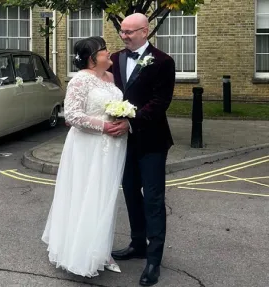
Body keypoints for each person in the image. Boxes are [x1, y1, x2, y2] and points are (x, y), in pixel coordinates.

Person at [41, 36, 128, 277]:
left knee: (105, 197)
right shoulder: (80, 80)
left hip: (113, 147)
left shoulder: (111, 78)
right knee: (85, 195)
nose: (109, 52)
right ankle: (80, 251)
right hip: (87, 147)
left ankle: (100, 248)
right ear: (92, 59)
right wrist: (105, 126)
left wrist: (125, 122)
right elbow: (72, 116)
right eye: (103, 50)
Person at [107, 13, 176, 286]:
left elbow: (160, 102)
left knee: (153, 199)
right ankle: (138, 244)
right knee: (131, 194)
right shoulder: (114, 58)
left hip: (153, 141)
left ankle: (154, 260)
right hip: (123, 143)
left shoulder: (163, 62)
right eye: (122, 31)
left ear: (145, 31)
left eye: (129, 32)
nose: (124, 36)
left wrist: (130, 122)